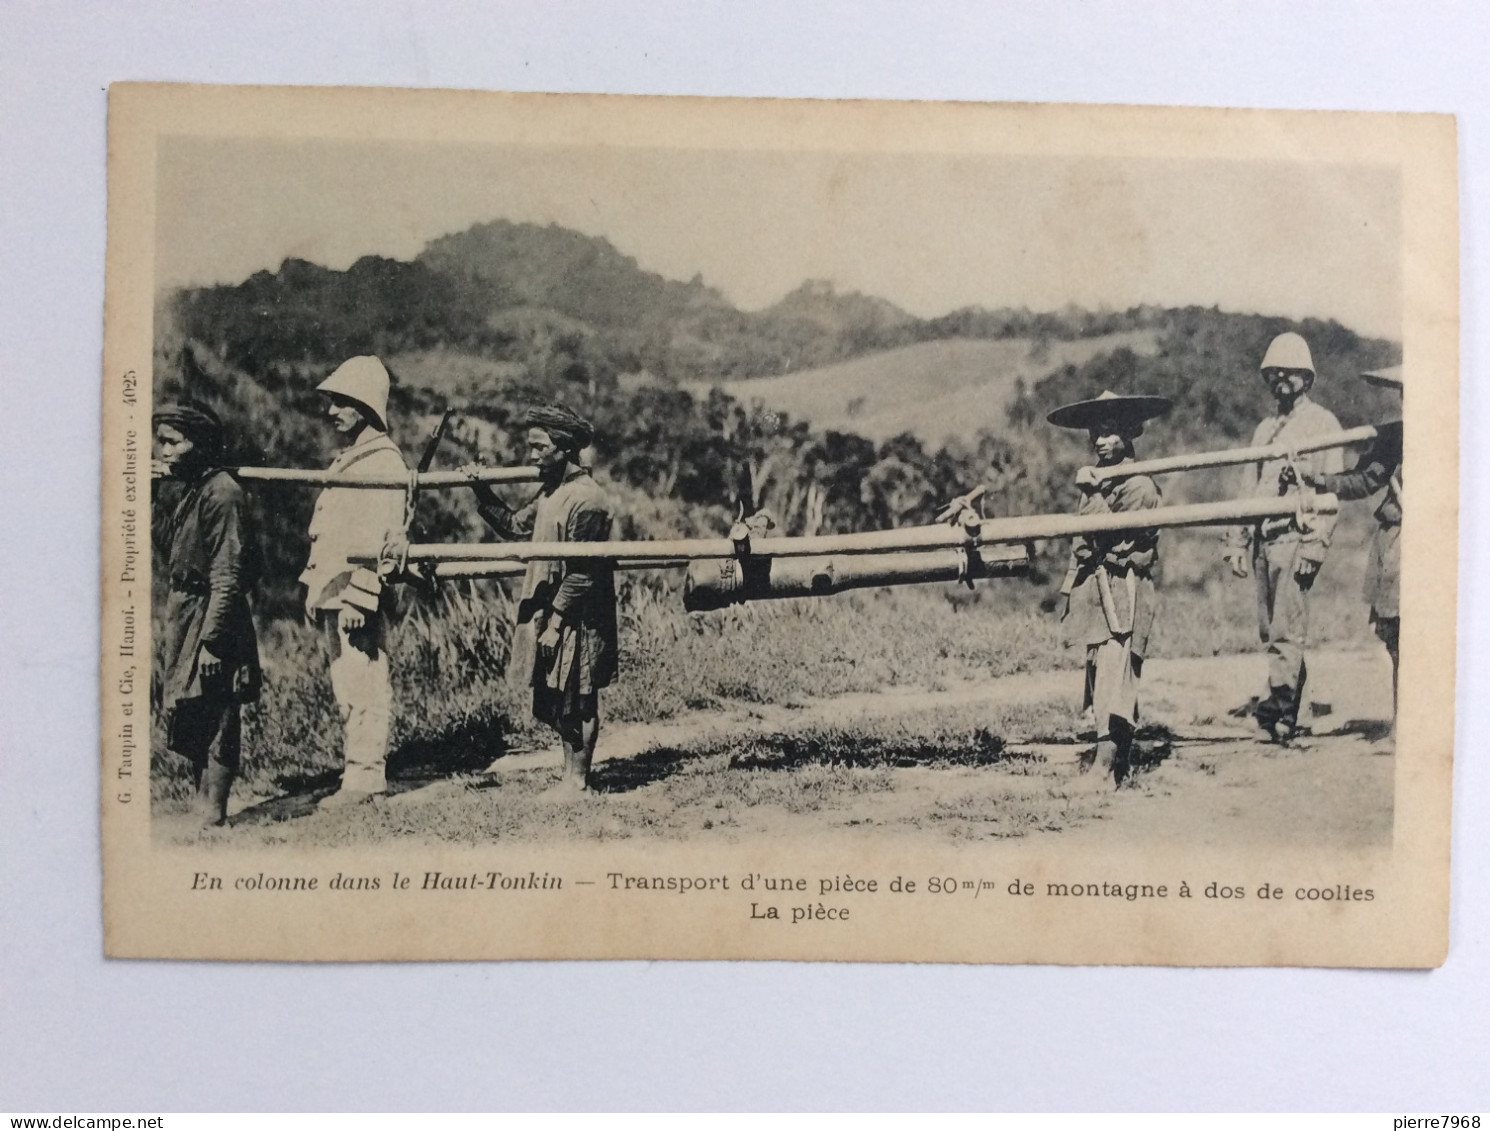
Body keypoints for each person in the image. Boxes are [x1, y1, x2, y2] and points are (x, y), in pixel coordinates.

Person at [466, 404, 618, 793]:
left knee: (579, 696)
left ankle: (578, 780)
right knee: (555, 698)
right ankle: (569, 776)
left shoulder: (588, 500)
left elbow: (583, 573)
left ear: (563, 447)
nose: (532, 456)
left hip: (578, 613)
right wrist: (480, 488)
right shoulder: (552, 492)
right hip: (550, 608)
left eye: (539, 447)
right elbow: (517, 526)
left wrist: (556, 621)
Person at [1222, 332, 1345, 744]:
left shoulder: (1324, 424)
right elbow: (1247, 486)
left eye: (1290, 374)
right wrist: (1236, 541)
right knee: (1268, 629)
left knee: (1286, 630)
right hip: (1263, 538)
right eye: (1274, 374)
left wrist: (1317, 543)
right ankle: (1291, 702)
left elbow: (1332, 493)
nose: (1281, 382)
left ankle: (1282, 714)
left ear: (1307, 378)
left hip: (1297, 536)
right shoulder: (1264, 430)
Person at [298, 356, 408, 807]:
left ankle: (365, 780)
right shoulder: (353, 459)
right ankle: (356, 774)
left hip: (355, 596)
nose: (332, 412)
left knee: (363, 683)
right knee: (346, 686)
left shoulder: (383, 464)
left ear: (365, 405)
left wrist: (361, 599)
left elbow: (380, 540)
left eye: (341, 402)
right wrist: (314, 586)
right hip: (334, 592)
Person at [1049, 390, 1172, 787]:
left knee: (1116, 673)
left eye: (1110, 433)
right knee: (1098, 669)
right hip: (1098, 584)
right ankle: (1113, 758)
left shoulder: (1138, 485)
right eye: (1096, 434)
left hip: (1125, 584)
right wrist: (1069, 585)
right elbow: (1081, 541)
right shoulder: (1101, 478)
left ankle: (1108, 765)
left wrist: (1093, 493)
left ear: (1128, 433)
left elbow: (1113, 537)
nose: (1101, 441)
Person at [152, 401, 262, 827]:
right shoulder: (194, 490)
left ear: (200, 444)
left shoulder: (221, 493)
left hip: (216, 615)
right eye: (159, 441)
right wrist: (150, 498)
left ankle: (213, 809)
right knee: (194, 706)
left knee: (218, 706)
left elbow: (228, 574)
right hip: (187, 613)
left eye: (172, 442)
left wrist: (213, 642)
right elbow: (174, 555)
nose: (162, 451)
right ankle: (203, 803)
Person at [1285, 366, 1402, 746]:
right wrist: (1319, 478)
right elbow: (1364, 480)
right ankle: (1406, 721)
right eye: (1406, 393)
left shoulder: (1467, 426)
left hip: (1448, 541)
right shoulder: (1395, 436)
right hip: (1401, 540)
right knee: (1397, 634)